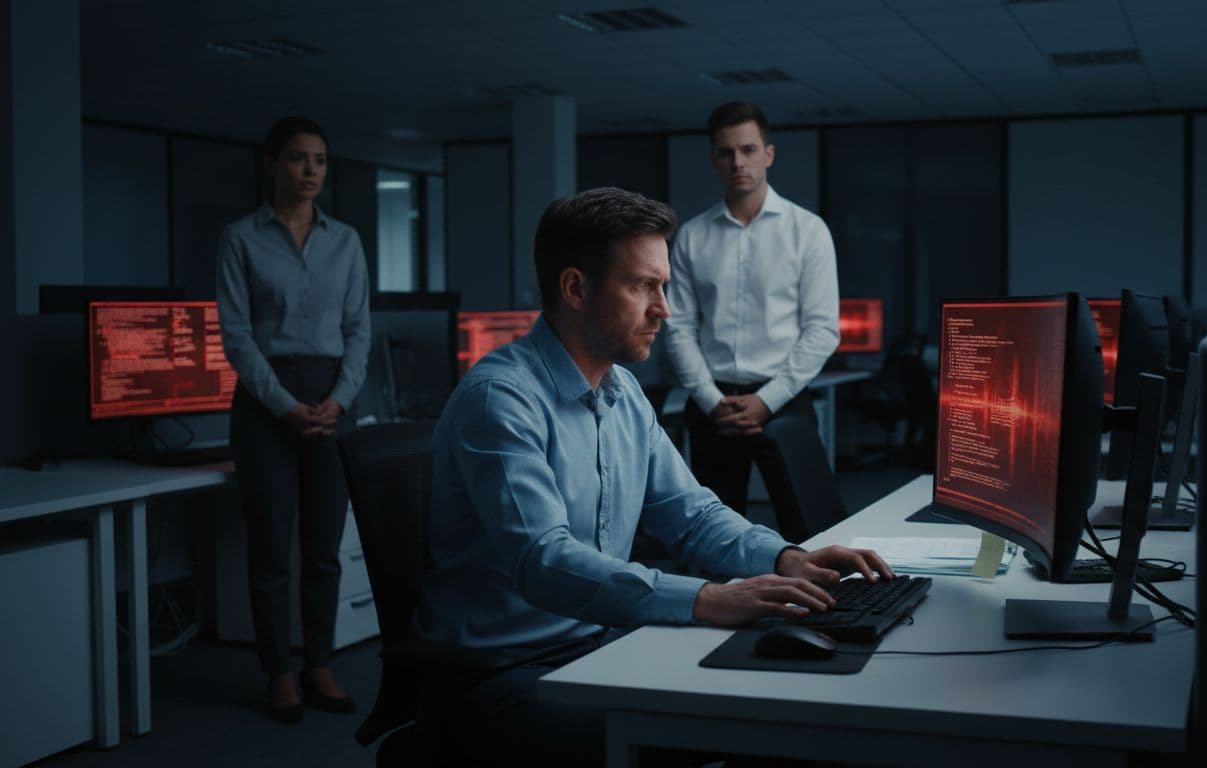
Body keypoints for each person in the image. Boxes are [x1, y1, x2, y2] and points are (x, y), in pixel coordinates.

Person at [412, 186, 889, 765]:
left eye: (662, 286)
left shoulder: (623, 392)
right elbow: (544, 562)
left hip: (598, 642)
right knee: (745, 726)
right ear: (576, 289)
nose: (664, 308)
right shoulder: (502, 400)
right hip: (503, 675)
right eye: (643, 286)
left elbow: (692, 515)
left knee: (784, 691)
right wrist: (710, 599)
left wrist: (785, 558)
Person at [217, 116, 370, 724]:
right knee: (271, 548)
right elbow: (236, 335)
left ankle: (320, 663)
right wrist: (283, 405)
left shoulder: (347, 241)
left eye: (321, 161)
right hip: (265, 405)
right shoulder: (239, 238)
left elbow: (360, 330)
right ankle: (279, 670)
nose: (311, 172)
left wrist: (340, 399)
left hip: (334, 400)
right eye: (300, 159)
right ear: (271, 164)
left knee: (324, 547)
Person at [664, 101, 841, 518]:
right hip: (713, 406)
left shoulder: (808, 231)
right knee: (714, 534)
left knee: (811, 526)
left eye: (747, 149)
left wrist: (766, 400)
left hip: (784, 398)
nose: (737, 162)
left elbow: (822, 330)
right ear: (713, 160)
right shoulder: (692, 236)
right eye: (726, 152)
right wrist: (710, 399)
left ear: (768, 154)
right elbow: (679, 327)